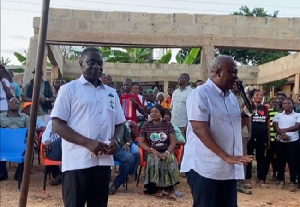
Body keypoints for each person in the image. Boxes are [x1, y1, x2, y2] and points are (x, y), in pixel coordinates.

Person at [51, 47, 125, 207]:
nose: (97, 67)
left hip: (103, 162)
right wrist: (88, 143)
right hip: (77, 162)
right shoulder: (68, 90)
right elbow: (57, 125)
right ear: (81, 64)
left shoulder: (111, 93)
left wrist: (116, 140)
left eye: (100, 63)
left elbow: (120, 124)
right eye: (91, 62)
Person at [181, 56, 253, 207]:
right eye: (232, 72)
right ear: (219, 72)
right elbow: (199, 128)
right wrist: (226, 156)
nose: (236, 77)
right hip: (204, 166)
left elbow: (233, 126)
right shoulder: (200, 94)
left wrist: (247, 112)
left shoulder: (231, 98)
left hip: (227, 168)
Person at [138, 104, 180, 200]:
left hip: (166, 150)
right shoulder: (146, 125)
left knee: (170, 159)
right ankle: (158, 188)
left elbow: (173, 142)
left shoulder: (168, 125)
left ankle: (170, 189)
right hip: (151, 151)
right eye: (151, 112)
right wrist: (152, 150)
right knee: (155, 159)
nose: (153, 114)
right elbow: (140, 142)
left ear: (161, 113)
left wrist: (167, 152)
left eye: (156, 112)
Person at [273, 98, 300, 192]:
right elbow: (276, 127)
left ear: (292, 104)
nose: (286, 105)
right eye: (284, 103)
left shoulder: (297, 115)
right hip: (281, 142)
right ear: (282, 105)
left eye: (289, 103)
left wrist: (283, 130)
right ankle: (281, 180)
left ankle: (292, 181)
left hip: (294, 142)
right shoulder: (278, 115)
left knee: (293, 162)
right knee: (280, 161)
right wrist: (283, 135)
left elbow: (297, 127)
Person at [245, 89, 270, 189]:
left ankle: (261, 179)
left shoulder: (266, 108)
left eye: (261, 95)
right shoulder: (248, 107)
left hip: (262, 136)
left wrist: (268, 138)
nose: (260, 96)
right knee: (249, 157)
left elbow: (267, 124)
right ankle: (247, 178)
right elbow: (245, 121)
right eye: (257, 95)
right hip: (251, 135)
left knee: (261, 158)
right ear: (252, 97)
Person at [0, 97, 30, 181]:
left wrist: (27, 142)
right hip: (4, 143)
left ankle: (19, 174)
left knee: (28, 150)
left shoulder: (25, 117)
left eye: (16, 103)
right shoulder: (0, 116)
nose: (13, 104)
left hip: (20, 144)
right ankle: (2, 173)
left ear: (19, 105)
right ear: (8, 104)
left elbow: (31, 132)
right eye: (11, 102)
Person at [109, 121, 140, 195]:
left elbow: (129, 139)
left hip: (118, 150)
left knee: (130, 158)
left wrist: (128, 144)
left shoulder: (121, 125)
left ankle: (116, 184)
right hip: (102, 148)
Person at [171, 73, 192, 138]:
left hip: (183, 125)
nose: (178, 80)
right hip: (173, 123)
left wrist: (188, 124)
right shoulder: (175, 92)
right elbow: (172, 107)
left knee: (183, 143)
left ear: (186, 79)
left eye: (180, 78)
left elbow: (192, 110)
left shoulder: (191, 92)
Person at [41, 119, 63, 185]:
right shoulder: (52, 122)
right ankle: (59, 176)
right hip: (54, 150)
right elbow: (45, 136)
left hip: (68, 152)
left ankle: (60, 176)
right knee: (61, 140)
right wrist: (46, 141)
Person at [266, 98, 279, 181]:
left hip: (277, 138)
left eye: (275, 102)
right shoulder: (268, 112)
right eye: (272, 102)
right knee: (268, 158)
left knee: (276, 158)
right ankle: (265, 175)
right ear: (269, 103)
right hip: (269, 138)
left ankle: (275, 174)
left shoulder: (279, 113)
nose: (274, 103)